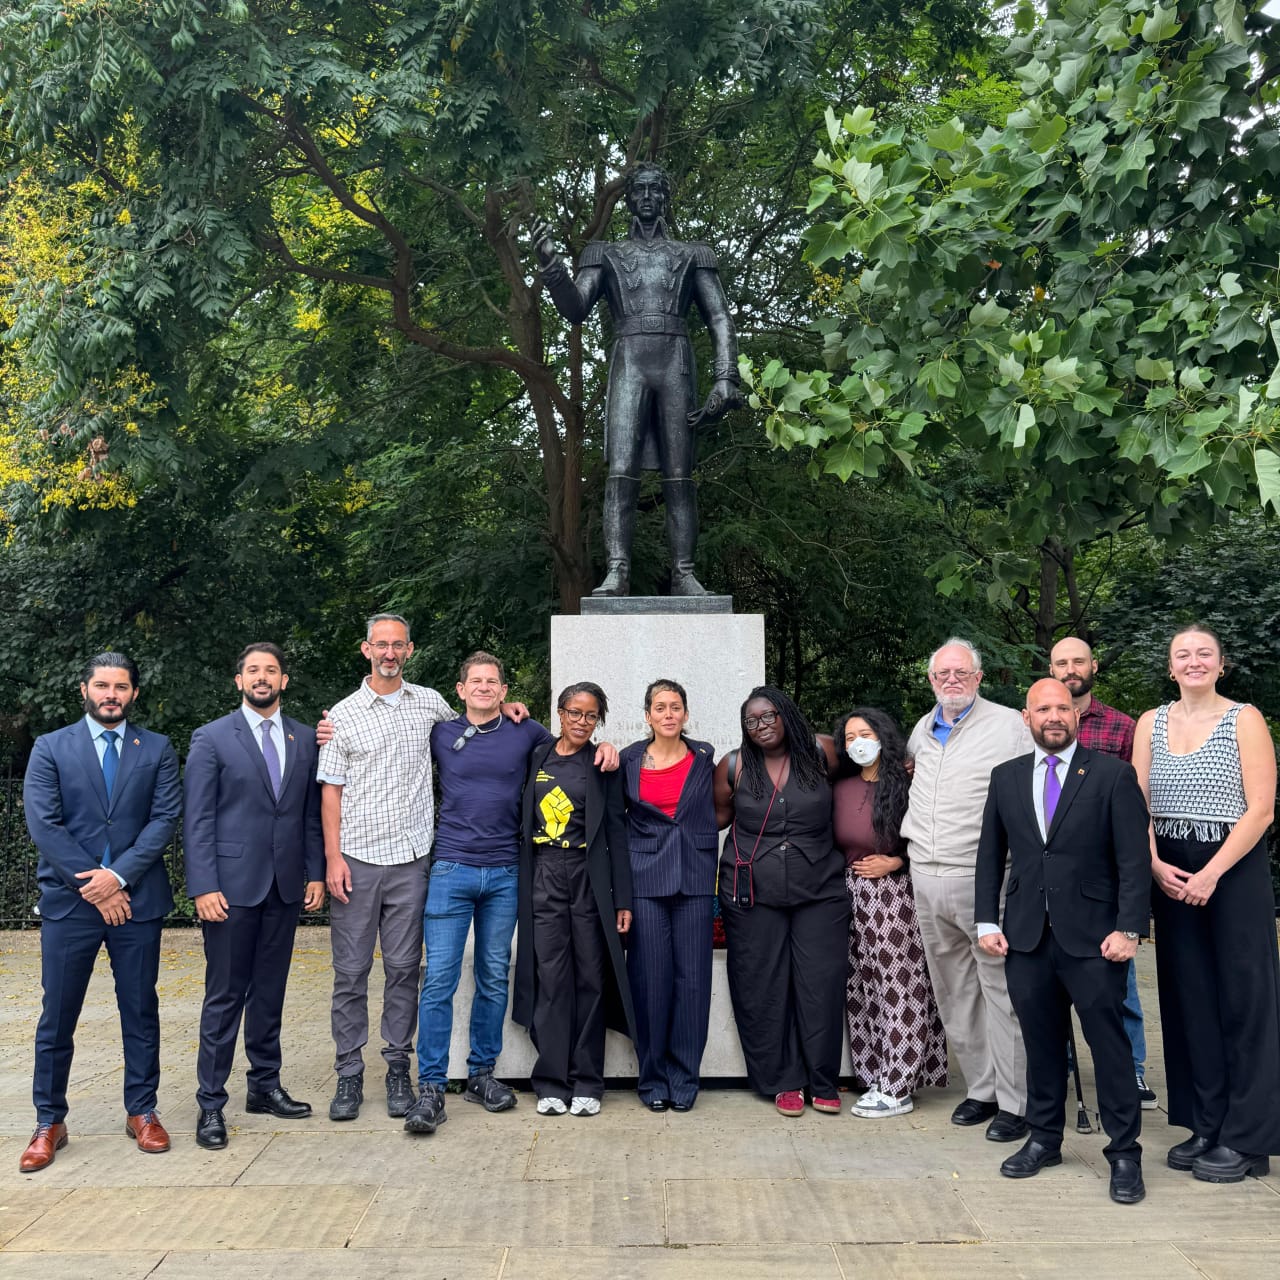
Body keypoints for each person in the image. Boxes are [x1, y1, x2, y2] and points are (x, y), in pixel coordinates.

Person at [315, 614, 527, 1123]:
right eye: (381, 645)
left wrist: (512, 707)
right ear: (366, 649)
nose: (389, 652)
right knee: (350, 973)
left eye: (398, 645)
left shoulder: (430, 704)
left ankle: (397, 1070)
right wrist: (332, 858)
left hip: (413, 860)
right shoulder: (340, 717)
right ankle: (348, 1073)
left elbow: (477, 723)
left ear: (409, 650)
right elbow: (330, 792)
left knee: (406, 971)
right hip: (358, 861)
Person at [976, 679, 1151, 1205]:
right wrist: (987, 920)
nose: (1054, 715)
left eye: (1063, 707)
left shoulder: (1112, 775)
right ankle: (1045, 1139)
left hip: (1096, 940)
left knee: (1110, 1047)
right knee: (1042, 1045)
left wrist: (1129, 928)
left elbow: (1133, 861)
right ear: (1026, 718)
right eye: (1042, 708)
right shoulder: (1005, 778)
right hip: (1026, 938)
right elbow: (990, 854)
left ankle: (1124, 1153)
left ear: (1076, 715)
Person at [530, 162, 741, 596]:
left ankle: (684, 572)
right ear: (629, 198)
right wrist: (551, 266)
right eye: (639, 190)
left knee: (680, 474)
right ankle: (617, 571)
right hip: (629, 358)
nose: (646, 197)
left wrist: (726, 377)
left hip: (674, 358)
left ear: (666, 197)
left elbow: (719, 317)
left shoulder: (691, 253)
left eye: (655, 190)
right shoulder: (605, 254)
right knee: (621, 471)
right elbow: (575, 308)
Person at [20, 652, 181, 1172]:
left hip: (138, 901)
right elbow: (44, 825)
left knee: (140, 1010)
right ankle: (49, 1121)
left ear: (134, 693)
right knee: (57, 1016)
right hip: (71, 905)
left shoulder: (155, 748)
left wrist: (119, 878)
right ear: (85, 689)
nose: (111, 694)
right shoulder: (50, 747)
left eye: (121, 686)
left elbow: (164, 820)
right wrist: (97, 884)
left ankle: (143, 1111)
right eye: (102, 685)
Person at [1131, 625, 1280, 1183]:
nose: (1194, 662)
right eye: (1182, 655)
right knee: (1188, 996)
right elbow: (1137, 799)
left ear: (1222, 664)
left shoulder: (1245, 719)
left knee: (1245, 999)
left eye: (1205, 654)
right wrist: (1152, 865)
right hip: (1169, 867)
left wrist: (1213, 873)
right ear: (1170, 667)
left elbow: (1261, 810)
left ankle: (1249, 1138)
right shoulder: (1152, 722)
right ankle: (1206, 1122)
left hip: (1232, 868)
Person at [182, 643, 326, 1150]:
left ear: (284, 681)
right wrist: (202, 885)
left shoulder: (305, 738)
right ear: (238, 680)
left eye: (271, 671)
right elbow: (196, 820)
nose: (262, 678)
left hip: (285, 887)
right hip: (229, 890)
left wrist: (315, 872)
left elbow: (309, 814)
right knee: (224, 997)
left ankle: (264, 1086)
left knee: (270, 992)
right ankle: (210, 1104)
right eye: (252, 671)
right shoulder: (212, 738)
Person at [900, 638, 1032, 1142]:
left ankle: (1016, 1101)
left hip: (984, 878)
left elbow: (1032, 796)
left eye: (961, 673)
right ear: (931, 679)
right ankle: (982, 1090)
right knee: (954, 991)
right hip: (925, 874)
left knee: (1000, 991)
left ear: (979, 677)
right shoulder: (923, 728)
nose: (951, 680)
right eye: (942, 674)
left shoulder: (1008, 727)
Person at [712, 686, 849, 1116]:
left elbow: (868, 780)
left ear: (786, 714)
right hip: (752, 892)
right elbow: (714, 818)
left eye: (769, 716)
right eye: (751, 721)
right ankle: (782, 1080)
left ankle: (822, 1079)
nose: (761, 726)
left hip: (820, 889)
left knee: (820, 984)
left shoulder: (823, 751)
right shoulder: (732, 765)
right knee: (761, 985)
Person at [512, 682, 635, 1115]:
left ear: (599, 720)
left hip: (587, 877)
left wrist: (624, 900)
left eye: (591, 715)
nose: (582, 722)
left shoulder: (603, 765)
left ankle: (588, 1081)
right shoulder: (537, 756)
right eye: (574, 712)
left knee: (590, 977)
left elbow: (617, 834)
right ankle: (550, 1081)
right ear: (559, 713)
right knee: (551, 977)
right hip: (545, 873)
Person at [1049, 635, 1155, 1109]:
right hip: (1050, 870)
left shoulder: (1121, 727)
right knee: (1052, 977)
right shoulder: (1031, 723)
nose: (1070, 669)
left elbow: (1138, 801)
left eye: (1077, 661)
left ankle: (1130, 1068)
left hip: (1105, 872)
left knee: (1118, 978)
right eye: (1060, 663)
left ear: (1093, 666)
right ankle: (1062, 1067)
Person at [833, 707, 946, 1119]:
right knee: (862, 989)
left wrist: (896, 863)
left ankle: (899, 1084)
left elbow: (931, 835)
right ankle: (874, 1075)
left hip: (895, 896)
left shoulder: (908, 782)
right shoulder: (840, 787)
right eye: (849, 737)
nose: (857, 742)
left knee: (901, 986)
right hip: (850, 896)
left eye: (865, 733)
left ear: (882, 736)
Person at [619, 679, 718, 1112]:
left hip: (694, 879)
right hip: (645, 880)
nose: (668, 714)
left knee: (693, 983)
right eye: (659, 707)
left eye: (675, 706)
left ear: (685, 713)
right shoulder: (626, 760)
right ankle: (652, 1079)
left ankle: (684, 1079)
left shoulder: (704, 756)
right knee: (650, 982)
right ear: (647, 716)